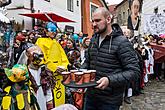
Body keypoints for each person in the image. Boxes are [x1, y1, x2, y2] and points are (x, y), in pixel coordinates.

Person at [81, 7, 140, 110]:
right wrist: (80, 72)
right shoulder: (94, 39)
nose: (94, 24)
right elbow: (88, 62)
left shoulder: (122, 42)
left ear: (108, 19)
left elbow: (134, 72)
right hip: (90, 97)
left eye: (98, 20)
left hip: (110, 101)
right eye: (93, 21)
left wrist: (109, 80)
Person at [35, 22, 69, 107]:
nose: (53, 32)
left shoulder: (56, 42)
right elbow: (41, 58)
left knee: (60, 96)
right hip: (48, 75)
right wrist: (53, 68)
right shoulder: (40, 41)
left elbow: (63, 57)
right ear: (46, 31)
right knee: (49, 99)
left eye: (55, 30)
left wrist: (64, 67)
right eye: (51, 30)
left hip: (60, 74)